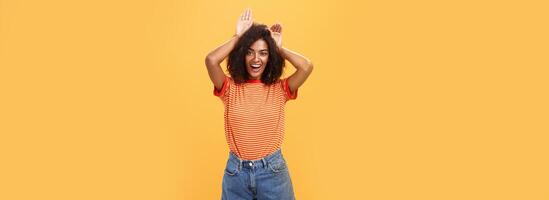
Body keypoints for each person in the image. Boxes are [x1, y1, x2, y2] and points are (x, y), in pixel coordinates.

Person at [205, 8, 313, 200]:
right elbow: (211, 60)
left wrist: (278, 48)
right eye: (250, 52)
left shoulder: (280, 89)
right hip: (236, 174)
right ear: (242, 55)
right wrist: (239, 37)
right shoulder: (230, 88)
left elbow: (306, 66)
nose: (256, 59)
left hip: (273, 172)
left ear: (269, 57)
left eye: (263, 53)